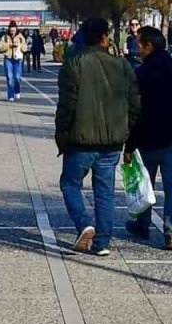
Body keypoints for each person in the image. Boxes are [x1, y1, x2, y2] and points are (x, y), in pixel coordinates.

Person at [55, 18, 141, 257]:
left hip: (80, 140)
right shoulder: (122, 65)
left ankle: (84, 223)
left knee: (70, 184)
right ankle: (102, 242)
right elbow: (135, 103)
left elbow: (66, 105)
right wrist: (127, 131)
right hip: (112, 141)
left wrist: (61, 133)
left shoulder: (74, 64)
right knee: (105, 191)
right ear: (105, 37)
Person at [124, 26, 172, 250]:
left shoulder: (140, 74)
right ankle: (171, 233)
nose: (137, 49)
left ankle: (143, 224)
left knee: (144, 184)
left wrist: (129, 145)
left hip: (146, 139)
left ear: (149, 46)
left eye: (139, 44)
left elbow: (133, 112)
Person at [0, 21, 28, 101]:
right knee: (9, 77)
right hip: (8, 59)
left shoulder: (20, 37)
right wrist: (9, 45)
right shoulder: (5, 37)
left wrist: (20, 46)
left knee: (17, 77)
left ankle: (17, 90)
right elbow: (0, 47)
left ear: (16, 29)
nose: (12, 32)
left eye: (14, 31)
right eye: (11, 31)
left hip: (18, 60)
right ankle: (10, 95)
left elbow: (25, 47)